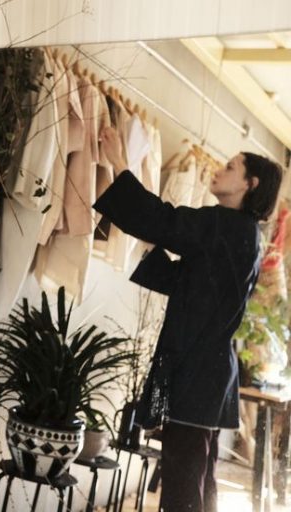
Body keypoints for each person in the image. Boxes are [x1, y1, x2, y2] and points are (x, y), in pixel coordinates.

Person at [94, 126, 282, 512]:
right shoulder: (244, 235)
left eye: (230, 167)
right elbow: (183, 282)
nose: (218, 170)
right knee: (197, 478)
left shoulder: (225, 225)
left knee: (183, 483)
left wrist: (120, 163)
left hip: (197, 374)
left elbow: (163, 221)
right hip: (208, 374)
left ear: (250, 184)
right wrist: (153, 241)